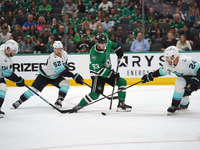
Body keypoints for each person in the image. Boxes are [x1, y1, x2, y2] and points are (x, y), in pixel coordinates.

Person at [68, 33, 132, 113]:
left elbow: (112, 44)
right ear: (97, 43)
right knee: (95, 95)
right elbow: (99, 70)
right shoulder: (94, 55)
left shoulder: (106, 43)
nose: (104, 45)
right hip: (97, 75)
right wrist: (111, 74)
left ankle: (121, 104)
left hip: (107, 72)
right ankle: (79, 106)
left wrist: (117, 48)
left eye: (105, 43)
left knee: (122, 82)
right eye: (102, 43)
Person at [12, 41, 84, 109]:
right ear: (53, 49)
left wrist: (66, 67)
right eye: (57, 49)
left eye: (60, 49)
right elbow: (62, 72)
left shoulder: (64, 54)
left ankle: (59, 101)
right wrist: (74, 76)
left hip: (55, 76)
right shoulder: (54, 58)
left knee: (66, 83)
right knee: (33, 91)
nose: (58, 51)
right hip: (44, 76)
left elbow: (65, 64)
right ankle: (19, 101)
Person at [141, 46, 200, 114]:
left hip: (197, 78)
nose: (166, 59)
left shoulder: (186, 61)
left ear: (173, 57)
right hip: (186, 79)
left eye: (167, 57)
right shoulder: (168, 65)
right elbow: (160, 72)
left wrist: (196, 80)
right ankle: (175, 105)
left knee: (187, 87)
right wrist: (150, 76)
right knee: (179, 84)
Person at [0, 40, 24, 118]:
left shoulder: (4, 47)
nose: (15, 53)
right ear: (8, 49)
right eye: (14, 51)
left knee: (3, 88)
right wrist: (18, 80)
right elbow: (7, 74)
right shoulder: (3, 59)